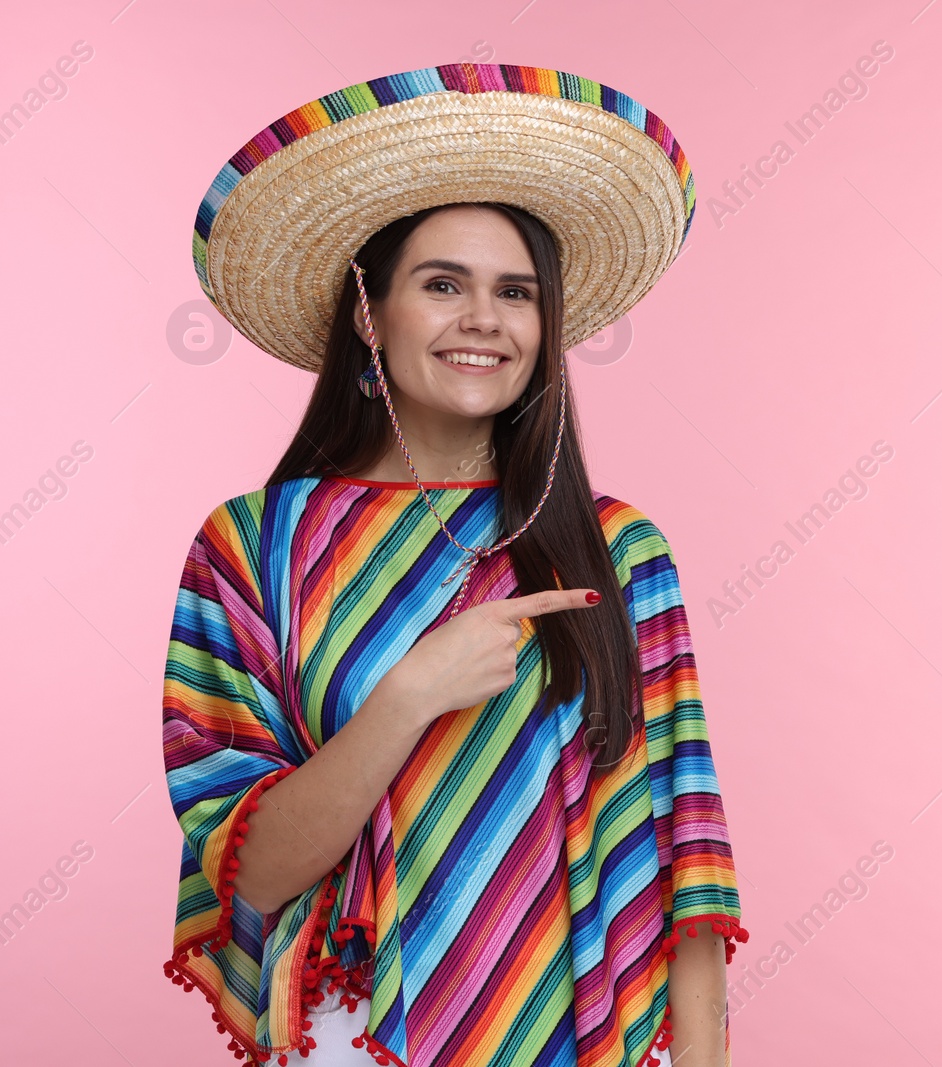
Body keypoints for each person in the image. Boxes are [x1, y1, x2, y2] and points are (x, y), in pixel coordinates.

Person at [160, 63, 747, 1067]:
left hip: (578, 1031)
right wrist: (408, 697)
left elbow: (679, 842)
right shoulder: (253, 546)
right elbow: (251, 872)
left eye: (515, 292)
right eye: (443, 284)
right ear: (367, 311)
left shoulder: (617, 550)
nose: (485, 319)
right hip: (356, 1036)